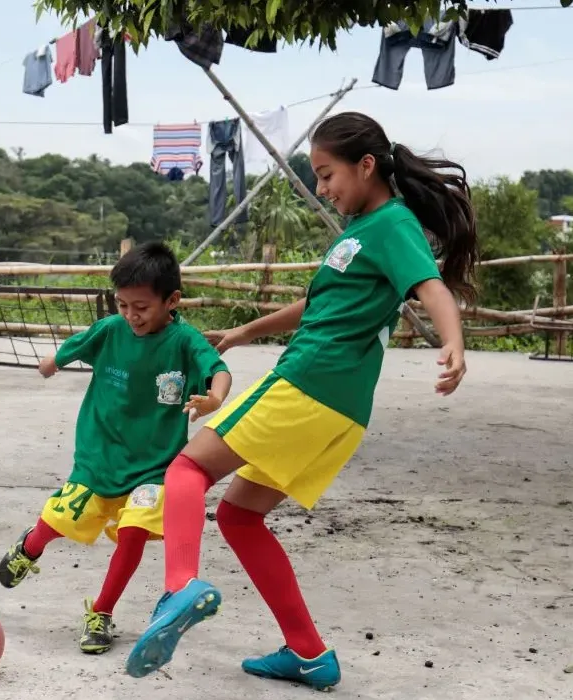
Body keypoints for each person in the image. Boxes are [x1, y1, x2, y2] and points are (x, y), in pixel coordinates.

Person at [124, 111, 480, 688]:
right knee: (240, 517)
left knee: (186, 470)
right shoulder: (361, 232)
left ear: (366, 166)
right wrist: (244, 332)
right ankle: (309, 653)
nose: (321, 188)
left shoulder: (393, 226)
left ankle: (179, 587)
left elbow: (432, 288)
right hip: (336, 403)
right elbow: (317, 307)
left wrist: (455, 342)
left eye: (326, 174)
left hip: (310, 384)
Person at [0, 240, 233, 655]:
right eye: (122, 304)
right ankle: (30, 546)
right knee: (61, 519)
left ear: (172, 300)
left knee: (134, 532)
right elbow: (76, 345)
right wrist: (52, 363)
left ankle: (102, 612)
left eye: (140, 306)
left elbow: (219, 370)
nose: (130, 315)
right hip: (98, 458)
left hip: (152, 467)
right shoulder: (111, 330)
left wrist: (214, 399)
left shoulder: (184, 341)